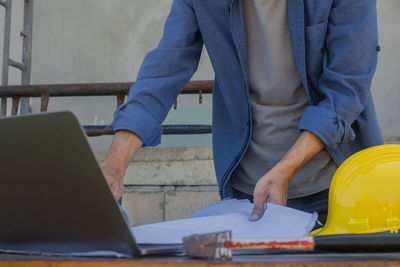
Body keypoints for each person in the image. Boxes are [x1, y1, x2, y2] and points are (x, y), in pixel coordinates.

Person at [101, 0, 383, 223]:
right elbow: (165, 66)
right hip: (246, 194)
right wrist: (115, 165)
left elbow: (346, 89)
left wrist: (284, 169)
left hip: (335, 188)